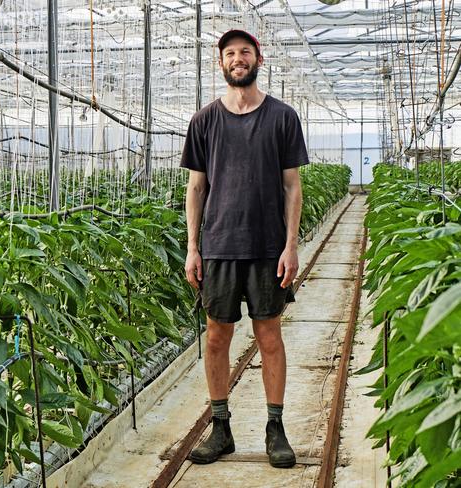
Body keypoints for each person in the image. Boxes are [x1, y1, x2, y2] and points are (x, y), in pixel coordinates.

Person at [180, 29, 309, 468]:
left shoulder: (282, 117)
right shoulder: (204, 121)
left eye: (245, 52)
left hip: (268, 247)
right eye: (230, 53)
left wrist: (291, 247)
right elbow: (196, 188)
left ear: (259, 59)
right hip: (218, 246)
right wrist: (192, 247)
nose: (238, 59)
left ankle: (275, 428)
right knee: (217, 337)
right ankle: (220, 428)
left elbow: (293, 187)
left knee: (268, 335)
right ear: (221, 62)